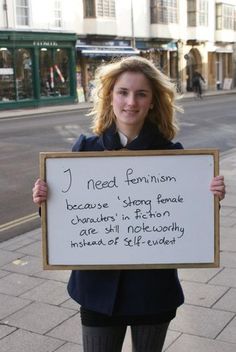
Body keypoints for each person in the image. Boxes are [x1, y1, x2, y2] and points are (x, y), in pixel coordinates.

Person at [32, 56, 225, 352]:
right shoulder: (84, 149)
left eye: (141, 94)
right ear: (110, 96)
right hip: (97, 291)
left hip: (153, 291)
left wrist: (211, 199)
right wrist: (45, 201)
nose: (131, 102)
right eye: (123, 92)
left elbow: (190, 219)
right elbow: (65, 219)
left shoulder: (174, 156)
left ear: (152, 102)